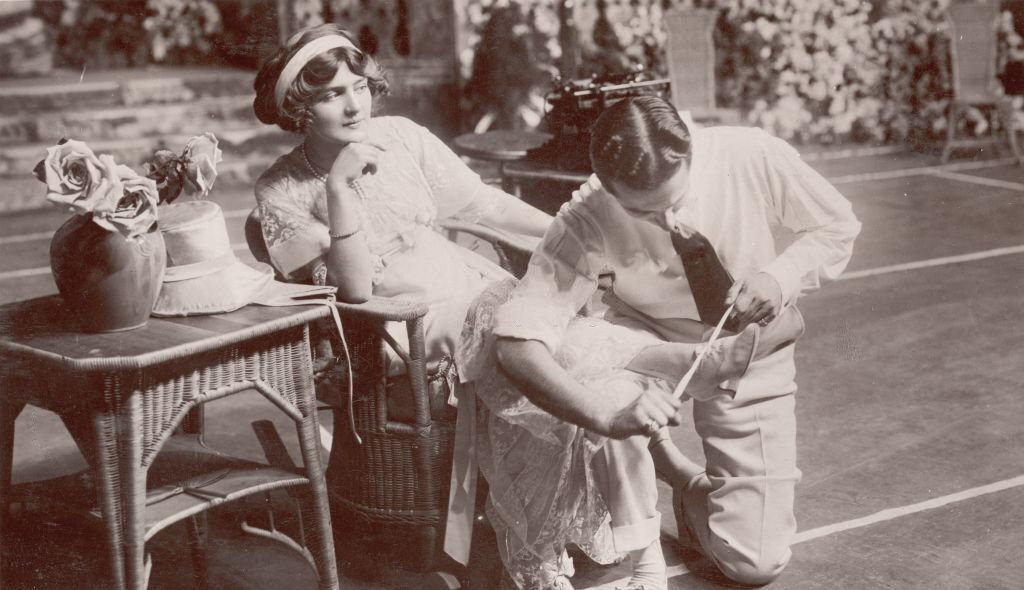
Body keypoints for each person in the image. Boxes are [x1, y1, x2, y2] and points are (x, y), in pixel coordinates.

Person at [457, 95, 860, 589]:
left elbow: (838, 224)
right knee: (595, 381)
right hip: (642, 341)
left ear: (689, 152)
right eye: (645, 213)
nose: (669, 223)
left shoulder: (751, 153)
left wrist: (780, 276)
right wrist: (604, 416)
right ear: (607, 187)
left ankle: (683, 485)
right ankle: (642, 520)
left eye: (676, 202)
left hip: (743, 345)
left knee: (755, 564)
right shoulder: (585, 214)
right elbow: (517, 343)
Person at [251, 23, 552, 564]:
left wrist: (569, 234)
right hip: (397, 324)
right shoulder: (280, 189)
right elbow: (357, 289)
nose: (353, 106)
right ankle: (533, 536)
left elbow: (484, 206)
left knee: (557, 327)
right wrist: (338, 187)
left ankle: (560, 515)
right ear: (300, 109)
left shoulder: (402, 136)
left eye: (359, 86)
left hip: (464, 280)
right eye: (330, 95)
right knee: (532, 342)